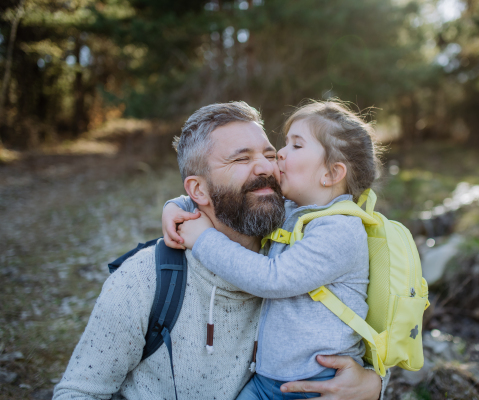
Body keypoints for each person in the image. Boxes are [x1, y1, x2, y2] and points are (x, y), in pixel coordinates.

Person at [53, 101, 386, 400]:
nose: (267, 167)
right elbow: (77, 392)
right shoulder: (143, 282)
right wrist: (177, 206)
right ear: (197, 189)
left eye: (270, 155)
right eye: (242, 158)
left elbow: (360, 335)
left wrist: (373, 386)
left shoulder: (300, 240)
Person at [163, 100, 383, 400]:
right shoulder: (295, 209)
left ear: (331, 174)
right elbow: (230, 195)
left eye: (296, 145)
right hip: (270, 380)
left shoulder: (340, 229)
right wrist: (178, 206)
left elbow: (272, 279)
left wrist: (203, 240)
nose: (279, 153)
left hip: (317, 384)